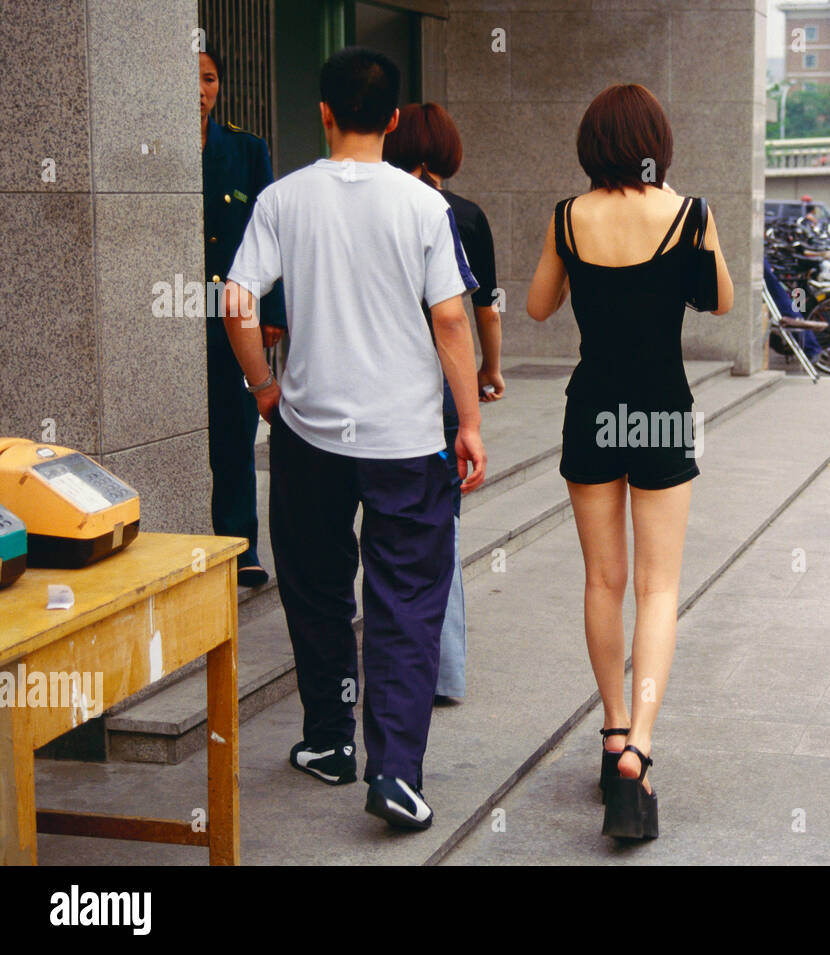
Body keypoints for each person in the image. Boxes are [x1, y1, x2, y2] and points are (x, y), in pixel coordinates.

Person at [222, 47, 487, 830]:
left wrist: (263, 386)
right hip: (406, 437)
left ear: (324, 113)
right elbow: (450, 319)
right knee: (405, 601)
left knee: (316, 587)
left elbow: (238, 302)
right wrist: (468, 422)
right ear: (395, 120)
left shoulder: (281, 199)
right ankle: (397, 774)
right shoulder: (422, 206)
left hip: (308, 434)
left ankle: (331, 740)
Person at [526, 83, 733, 840]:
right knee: (658, 584)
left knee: (602, 579)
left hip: (592, 407)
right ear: (656, 145)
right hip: (661, 409)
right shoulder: (689, 214)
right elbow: (720, 301)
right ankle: (639, 747)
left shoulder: (567, 219)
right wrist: (685, 214)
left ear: (592, 145)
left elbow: (539, 307)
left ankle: (611, 727)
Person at [383, 101, 504, 704]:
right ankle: (443, 671)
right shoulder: (467, 215)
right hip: (444, 386)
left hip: (381, 385)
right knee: (441, 530)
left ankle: (387, 662)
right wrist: (490, 370)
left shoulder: (376, 205)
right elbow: (478, 313)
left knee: (383, 526)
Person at [199, 44, 286, 589]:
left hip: (231, 312)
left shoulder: (247, 150)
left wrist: (272, 309)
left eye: (209, 78)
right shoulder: (151, 147)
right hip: (171, 308)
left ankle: (241, 545)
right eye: (192, 78)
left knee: (235, 426)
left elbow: (269, 236)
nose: (201, 89)